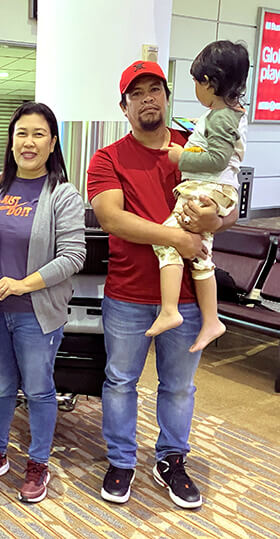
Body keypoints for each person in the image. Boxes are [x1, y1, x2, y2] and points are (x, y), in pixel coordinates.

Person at [87, 60, 238, 509]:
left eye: (156, 89)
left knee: (178, 387)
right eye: (138, 93)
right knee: (120, 381)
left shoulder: (196, 147)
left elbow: (227, 203)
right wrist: (175, 237)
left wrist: (217, 218)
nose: (148, 98)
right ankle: (121, 460)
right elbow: (111, 217)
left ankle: (171, 459)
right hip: (128, 294)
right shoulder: (108, 157)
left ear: (168, 98)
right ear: (124, 106)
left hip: (190, 298)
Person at [0, 102, 85, 503]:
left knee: (38, 389)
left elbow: (73, 257)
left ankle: (38, 463)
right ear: (11, 140)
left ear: (52, 143)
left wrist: (22, 285)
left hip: (36, 312)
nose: (28, 142)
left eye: (38, 134)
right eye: (21, 133)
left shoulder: (63, 195)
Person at [146, 41, 249, 353]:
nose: (194, 87)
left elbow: (216, 160)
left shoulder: (221, 118)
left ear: (210, 82)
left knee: (166, 239)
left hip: (209, 188)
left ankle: (170, 309)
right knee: (201, 256)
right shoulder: (227, 115)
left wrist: (181, 157)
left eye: (195, 81)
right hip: (215, 190)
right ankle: (211, 320)